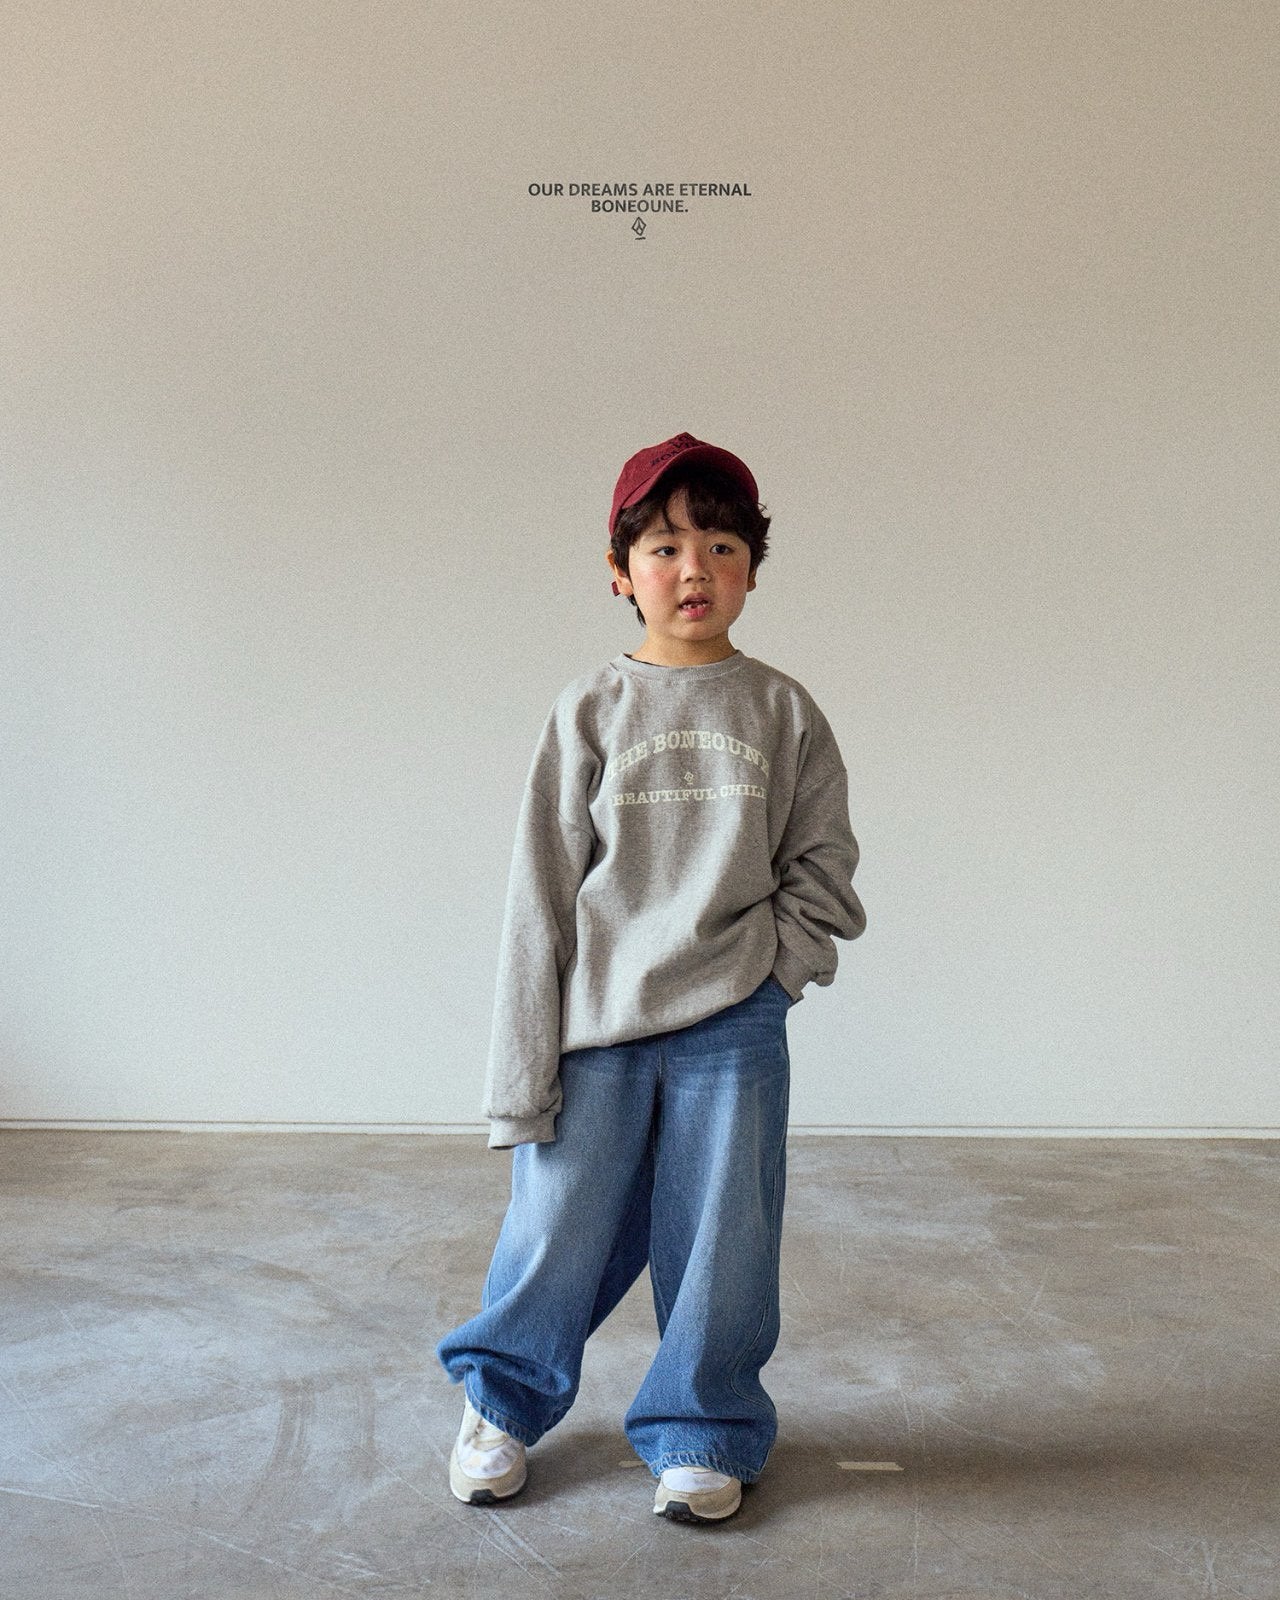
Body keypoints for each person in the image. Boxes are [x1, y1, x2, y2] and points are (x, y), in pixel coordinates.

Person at [436, 431, 867, 1523]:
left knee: (724, 1240)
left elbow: (822, 867)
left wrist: (775, 975)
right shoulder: (589, 709)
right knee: (555, 1226)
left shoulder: (783, 711)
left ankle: (702, 1429)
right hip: (599, 1022)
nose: (693, 569)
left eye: (721, 545)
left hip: (735, 1022)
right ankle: (501, 1402)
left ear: (752, 568)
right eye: (664, 546)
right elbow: (539, 896)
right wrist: (519, 1073)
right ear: (619, 571)